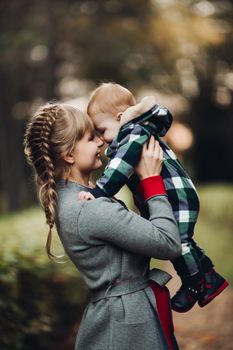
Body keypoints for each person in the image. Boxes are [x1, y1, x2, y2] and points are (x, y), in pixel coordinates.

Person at [23, 103, 182, 350]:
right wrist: (152, 181)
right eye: (90, 138)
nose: (101, 142)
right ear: (69, 155)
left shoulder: (76, 198)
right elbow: (169, 244)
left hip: (122, 317)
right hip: (127, 326)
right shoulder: (87, 207)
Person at [86, 82, 229, 313]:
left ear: (120, 117)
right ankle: (209, 277)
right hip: (175, 194)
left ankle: (195, 283)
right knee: (184, 241)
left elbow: (120, 167)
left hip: (176, 196)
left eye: (102, 130)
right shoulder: (134, 131)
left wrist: (101, 190)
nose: (103, 140)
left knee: (178, 243)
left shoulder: (133, 132)